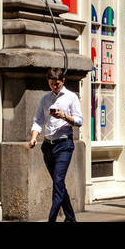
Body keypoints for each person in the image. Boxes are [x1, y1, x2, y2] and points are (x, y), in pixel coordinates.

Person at [29, 68, 84, 222]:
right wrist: (34, 138)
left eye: (57, 84)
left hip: (64, 145)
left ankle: (51, 218)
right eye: (52, 84)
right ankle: (71, 217)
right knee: (58, 183)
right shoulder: (45, 99)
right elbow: (38, 120)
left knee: (58, 182)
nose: (54, 87)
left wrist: (64, 116)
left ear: (63, 81)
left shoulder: (71, 97)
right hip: (48, 146)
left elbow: (79, 121)